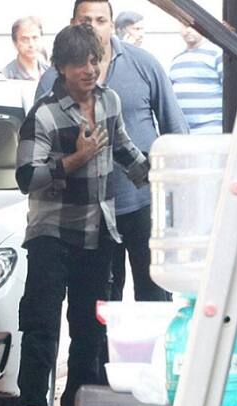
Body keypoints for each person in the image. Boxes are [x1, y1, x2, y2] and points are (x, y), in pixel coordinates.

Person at [14, 24, 150, 406]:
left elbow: (123, 148)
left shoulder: (109, 101)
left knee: (90, 327)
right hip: (52, 234)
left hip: (99, 231)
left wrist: (157, 176)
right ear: (61, 67)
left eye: (95, 61)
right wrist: (77, 158)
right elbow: (27, 177)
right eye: (80, 64)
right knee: (41, 323)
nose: (90, 70)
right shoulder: (44, 113)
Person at [36, 0, 188, 304]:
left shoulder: (143, 63)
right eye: (85, 20)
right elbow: (39, 151)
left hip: (142, 203)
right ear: (72, 23)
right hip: (88, 212)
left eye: (100, 20)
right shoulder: (54, 78)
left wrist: (176, 193)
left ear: (112, 24)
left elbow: (175, 131)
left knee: (154, 294)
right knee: (101, 300)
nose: (93, 27)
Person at [170, 25, 223, 134]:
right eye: (184, 26)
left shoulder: (217, 54)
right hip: (184, 132)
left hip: (213, 129)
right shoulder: (176, 60)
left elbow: (231, 92)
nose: (188, 30)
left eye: (192, 26)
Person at [2, 16, 48, 81]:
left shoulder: (51, 73)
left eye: (35, 38)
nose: (31, 44)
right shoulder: (4, 77)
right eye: (25, 39)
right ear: (15, 43)